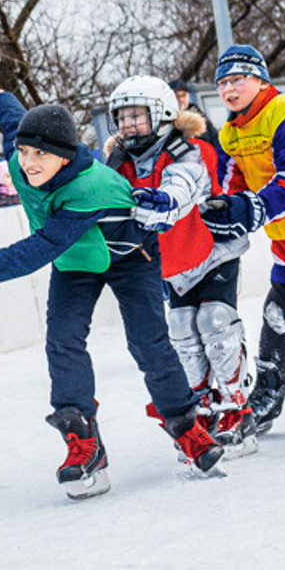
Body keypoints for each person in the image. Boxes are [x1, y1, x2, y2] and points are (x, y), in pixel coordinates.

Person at [0, 88, 223, 499]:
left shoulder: (88, 188)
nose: (28, 163)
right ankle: (83, 442)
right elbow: (12, 119)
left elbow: (37, 249)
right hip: (77, 259)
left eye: (40, 155)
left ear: (63, 155)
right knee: (63, 341)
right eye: (25, 152)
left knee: (149, 342)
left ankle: (187, 428)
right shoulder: (20, 159)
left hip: (130, 254)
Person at [105, 76, 256, 457]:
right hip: (170, 263)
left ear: (163, 113)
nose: (127, 126)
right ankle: (202, 405)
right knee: (182, 333)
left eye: (136, 116)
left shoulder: (189, 149)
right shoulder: (119, 163)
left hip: (210, 251)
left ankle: (238, 405)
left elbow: (181, 187)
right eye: (121, 118)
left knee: (214, 322)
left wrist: (156, 202)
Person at [202, 44, 285, 432]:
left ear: (260, 79)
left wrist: (253, 208)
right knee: (278, 318)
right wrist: (216, 214)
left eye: (237, 79)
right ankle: (267, 394)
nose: (229, 89)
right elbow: (226, 187)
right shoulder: (229, 134)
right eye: (222, 82)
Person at [168, 77, 223, 155]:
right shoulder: (167, 121)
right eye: (177, 96)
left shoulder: (200, 116)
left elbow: (215, 141)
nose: (180, 99)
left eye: (183, 95)